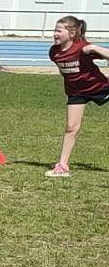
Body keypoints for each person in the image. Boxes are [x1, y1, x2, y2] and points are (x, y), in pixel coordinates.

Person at [47, 16, 109, 178]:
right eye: (55, 30)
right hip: (76, 93)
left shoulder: (83, 47)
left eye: (59, 31)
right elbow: (63, 71)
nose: (55, 34)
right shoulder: (54, 52)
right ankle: (62, 166)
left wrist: (95, 48)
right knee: (71, 127)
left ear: (72, 33)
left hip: (100, 87)